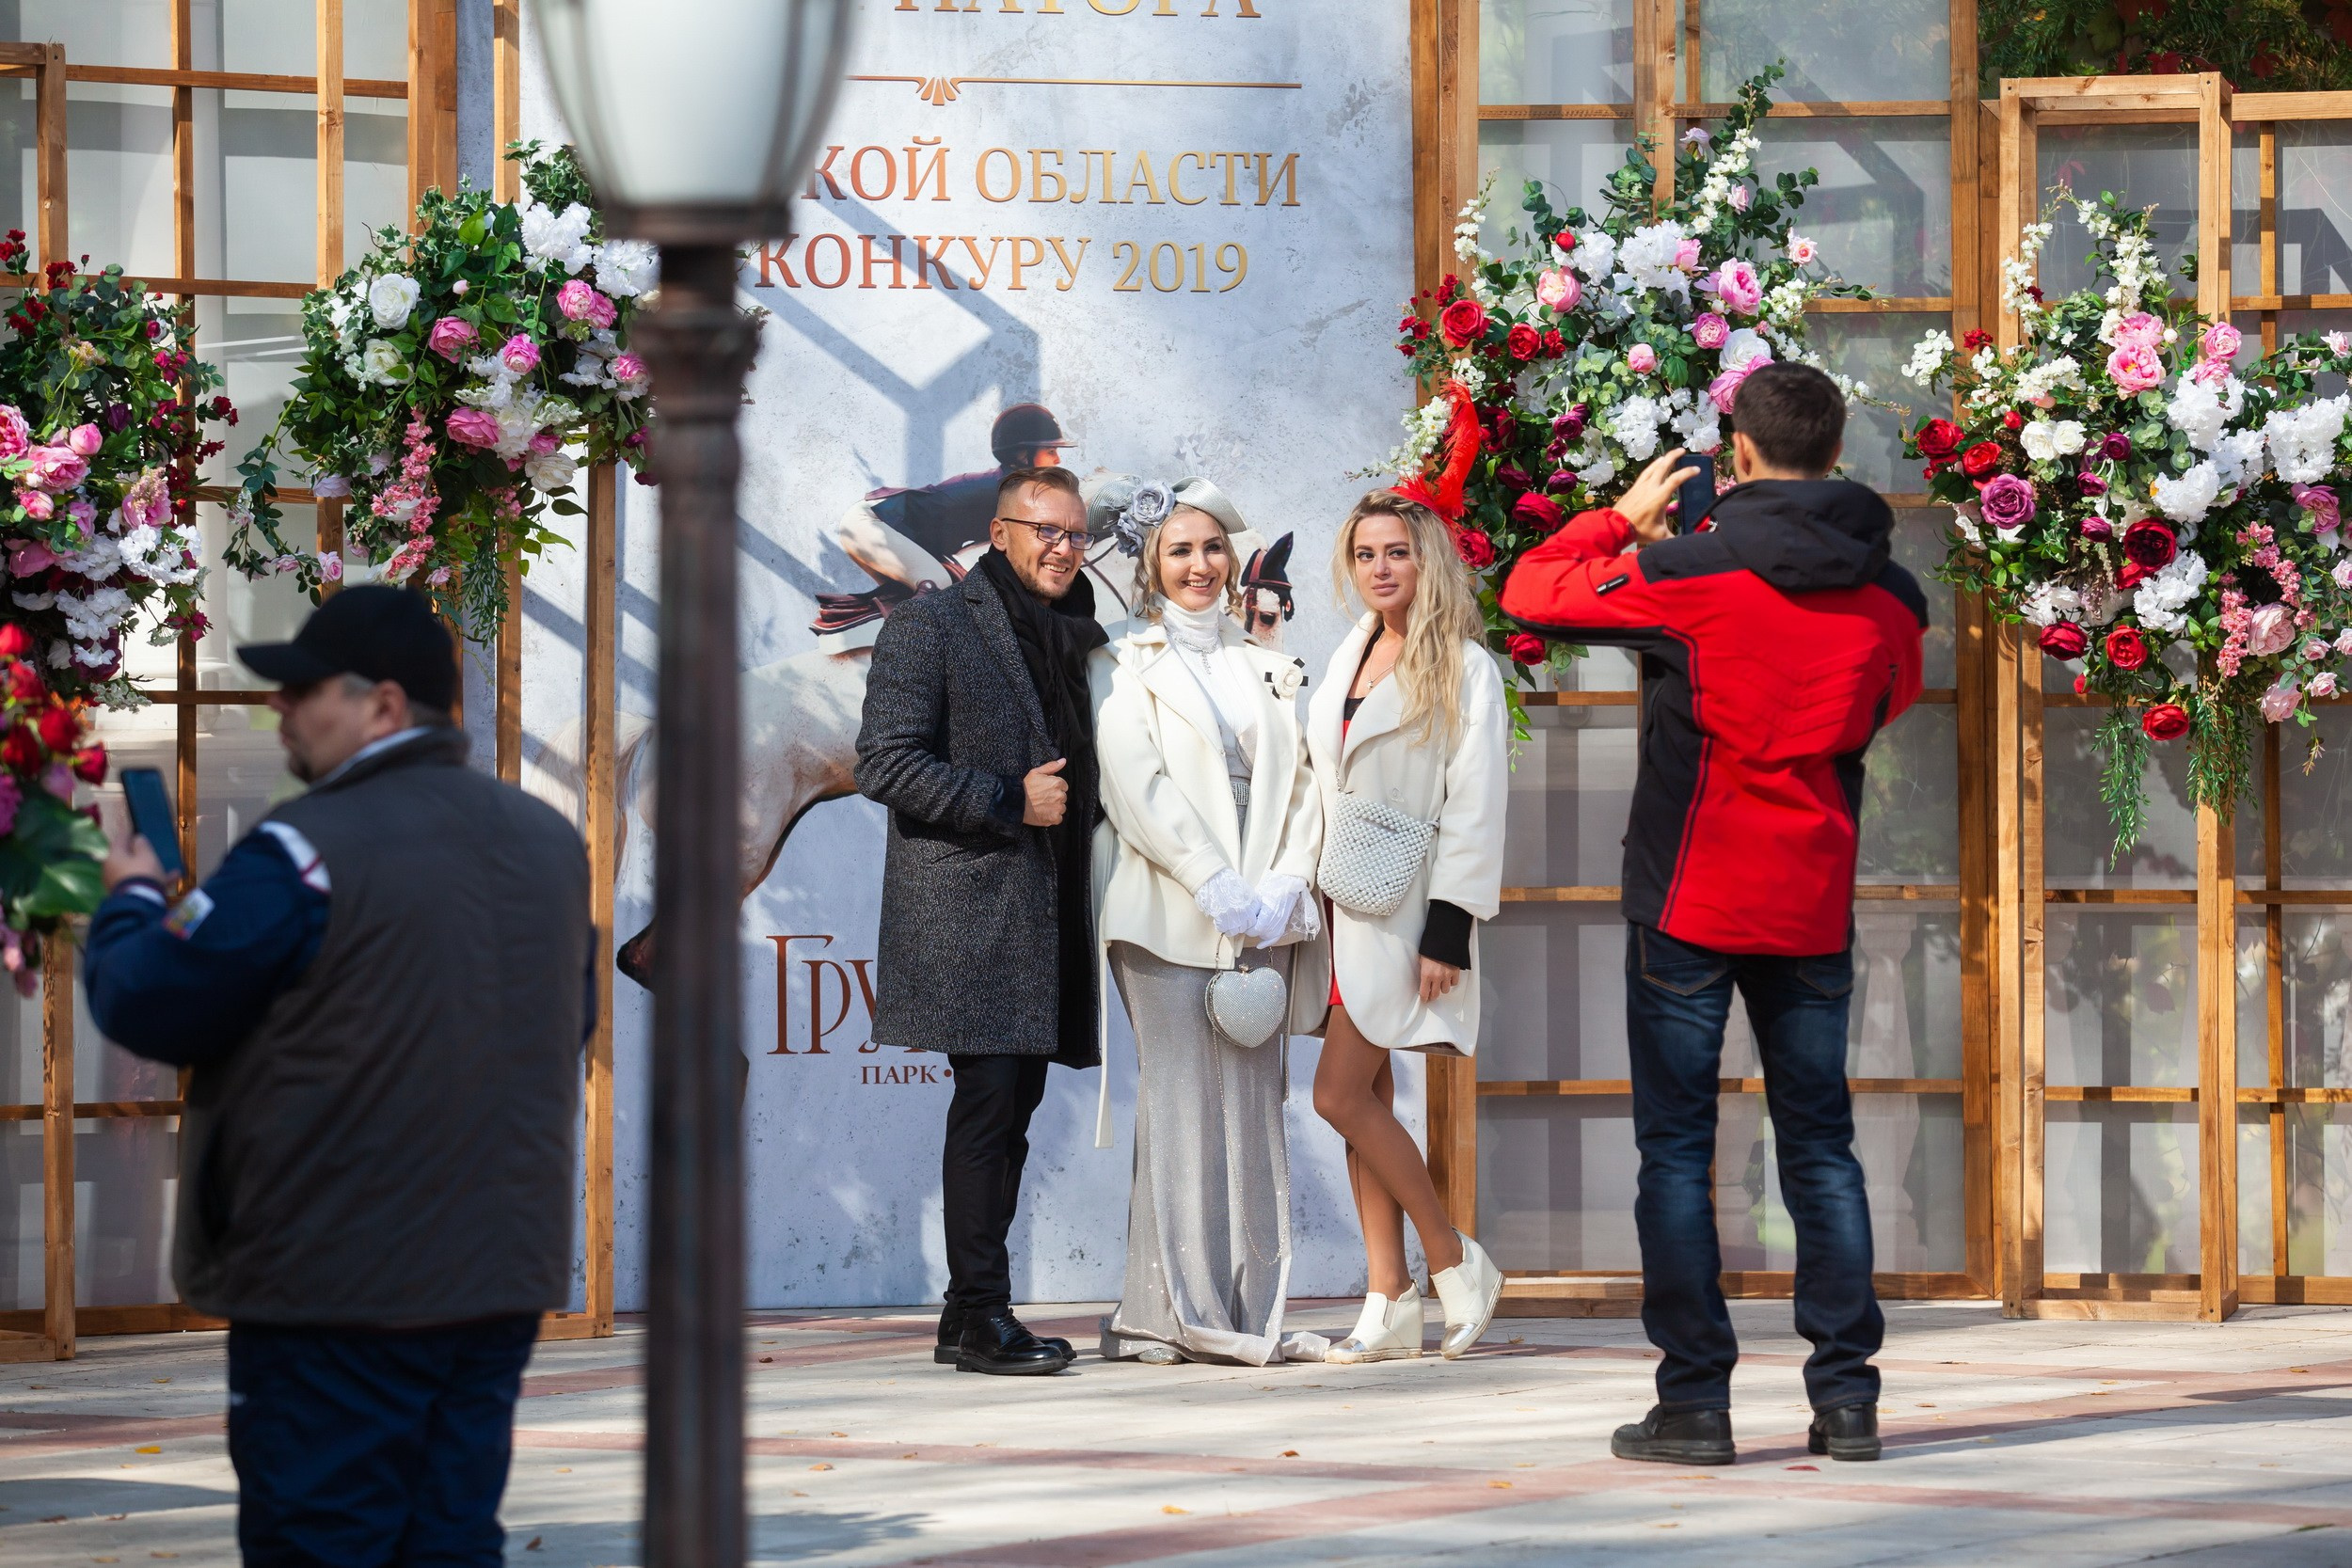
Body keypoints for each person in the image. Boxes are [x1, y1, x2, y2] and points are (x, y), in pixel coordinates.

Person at [81, 585, 594, 1566]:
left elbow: (152, 998)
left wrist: (134, 898)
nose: (281, 710)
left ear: (384, 704)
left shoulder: (302, 848)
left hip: (335, 1281)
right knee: (448, 1538)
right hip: (497, 1271)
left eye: (303, 689)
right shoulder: (548, 843)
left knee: (322, 1540)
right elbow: (563, 1021)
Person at [1498, 362, 1928, 1466]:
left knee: (1676, 1155)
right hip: (1810, 898)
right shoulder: (1890, 599)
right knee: (1822, 1150)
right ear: (1836, 454)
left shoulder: (1687, 570)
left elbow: (1532, 590)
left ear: (1736, 451)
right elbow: (1882, 703)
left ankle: (1694, 1403)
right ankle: (1847, 1401)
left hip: (1690, 896)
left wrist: (1618, 517)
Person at [855, 463, 1104, 1377]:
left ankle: (967, 1316)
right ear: (997, 534)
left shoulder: (1077, 637)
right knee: (990, 1109)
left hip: (1045, 912)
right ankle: (986, 1313)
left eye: (1074, 532)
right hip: (970, 909)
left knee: (1011, 1111)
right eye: (1043, 529)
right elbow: (882, 761)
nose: (1061, 546)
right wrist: (1006, 795)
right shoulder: (931, 623)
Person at [1087, 476, 1323, 1367]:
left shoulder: (1265, 661)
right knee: (1181, 1111)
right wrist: (1211, 878)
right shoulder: (1121, 661)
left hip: (1261, 916)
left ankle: (1248, 1309)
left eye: (1211, 548)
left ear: (1233, 560)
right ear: (1153, 563)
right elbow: (1132, 783)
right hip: (1166, 912)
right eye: (1179, 550)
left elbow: (1302, 782)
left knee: (1257, 1111)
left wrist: (1286, 883)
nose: (1198, 564)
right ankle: (1168, 1313)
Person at [1306, 490, 1508, 1365]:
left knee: (1338, 1094)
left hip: (1406, 907)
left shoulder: (1465, 667)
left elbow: (1477, 804)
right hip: (1334, 903)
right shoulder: (1346, 657)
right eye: (1364, 554)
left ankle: (1455, 1258)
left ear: (1427, 560)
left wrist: (1449, 929)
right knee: (1366, 1104)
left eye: (1396, 551)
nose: (1380, 568)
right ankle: (1386, 1301)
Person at [817, 403, 1076, 642]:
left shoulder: (1014, 489)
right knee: (937, 582)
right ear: (1022, 455)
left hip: (888, 528)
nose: (1058, 460)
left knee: (932, 588)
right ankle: (908, 650)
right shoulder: (1010, 491)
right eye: (1051, 451)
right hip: (871, 523)